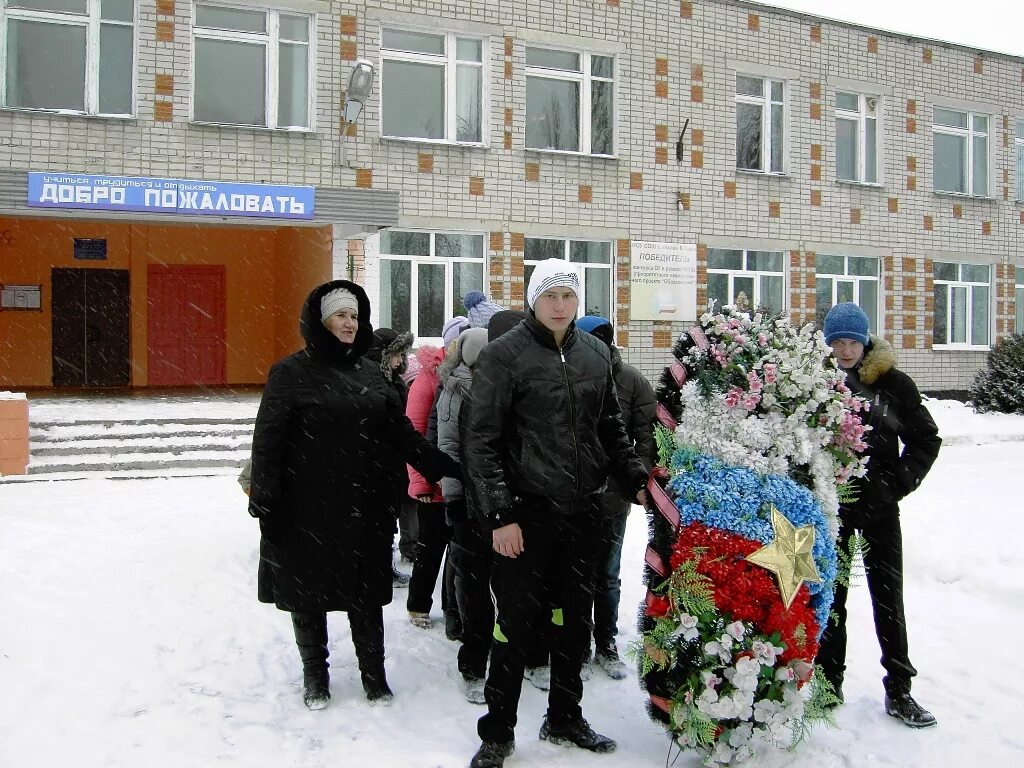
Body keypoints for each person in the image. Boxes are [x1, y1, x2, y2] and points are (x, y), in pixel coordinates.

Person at [464, 259, 649, 768]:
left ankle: (564, 716)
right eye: (551, 295)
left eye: (569, 295)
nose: (561, 305)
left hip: (582, 511)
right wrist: (500, 515)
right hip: (524, 514)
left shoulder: (595, 354)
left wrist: (634, 475)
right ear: (532, 299)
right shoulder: (504, 357)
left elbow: (609, 425)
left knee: (573, 622)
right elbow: (480, 442)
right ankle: (498, 730)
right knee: (515, 624)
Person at [247, 281, 460, 711]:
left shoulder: (371, 374)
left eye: (354, 316)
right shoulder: (290, 373)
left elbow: (401, 435)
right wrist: (265, 501)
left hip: (364, 508)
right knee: (307, 598)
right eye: (341, 315)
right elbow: (268, 441)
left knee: (366, 598)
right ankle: (316, 676)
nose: (349, 323)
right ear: (320, 321)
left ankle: (374, 675)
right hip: (305, 510)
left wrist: (447, 468)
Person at [816, 302, 941, 728]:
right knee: (831, 600)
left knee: (888, 599)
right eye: (837, 342)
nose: (845, 350)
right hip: (834, 508)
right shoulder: (817, 383)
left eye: (852, 341)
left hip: (881, 512)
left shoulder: (894, 385)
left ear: (865, 340)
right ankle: (827, 684)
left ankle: (900, 690)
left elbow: (926, 439)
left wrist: (896, 485)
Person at [575, 315, 657, 680]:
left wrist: (629, 482)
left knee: (607, 574)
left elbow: (647, 440)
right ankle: (575, 644)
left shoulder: (632, 382)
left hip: (612, 498)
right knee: (574, 574)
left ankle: (606, 643)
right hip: (573, 496)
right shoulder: (570, 374)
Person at [436, 326, 492, 703]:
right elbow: (448, 447)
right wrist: (454, 497)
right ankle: (472, 665)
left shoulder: (499, 386)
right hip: (468, 503)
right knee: (472, 585)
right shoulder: (455, 391)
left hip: (498, 503)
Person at [406, 317, 468, 638]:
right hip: (433, 485)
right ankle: (417, 604)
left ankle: (450, 606)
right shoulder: (427, 379)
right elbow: (414, 433)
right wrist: (421, 482)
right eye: (458, 340)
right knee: (430, 548)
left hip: (457, 485)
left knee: (456, 550)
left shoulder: (468, 374)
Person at [365, 328, 417, 586]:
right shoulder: (373, 382)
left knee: (389, 518)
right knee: (380, 521)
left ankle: (384, 566)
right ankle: (378, 568)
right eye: (396, 354)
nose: (400, 360)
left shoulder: (394, 380)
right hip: (378, 463)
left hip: (395, 461)